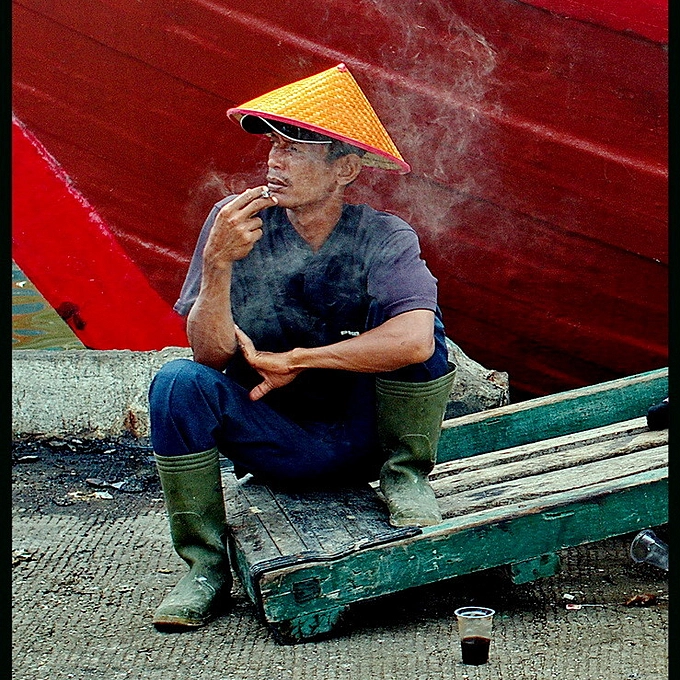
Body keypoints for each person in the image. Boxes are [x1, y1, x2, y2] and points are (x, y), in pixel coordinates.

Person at [148, 63, 456, 631]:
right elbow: (209, 357)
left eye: (294, 148)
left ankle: (407, 477)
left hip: (366, 441)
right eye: (272, 145)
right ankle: (205, 566)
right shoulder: (234, 223)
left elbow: (413, 340)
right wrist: (217, 265)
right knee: (176, 383)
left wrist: (299, 360)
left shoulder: (383, 235)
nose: (274, 160)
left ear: (345, 169)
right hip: (277, 441)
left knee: (424, 331)